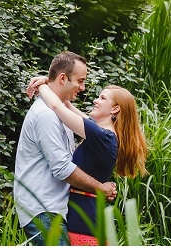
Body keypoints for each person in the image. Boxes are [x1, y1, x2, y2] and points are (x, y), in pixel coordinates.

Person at [27, 76, 149, 246]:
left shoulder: (103, 136)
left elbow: (56, 106)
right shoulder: (104, 135)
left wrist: (40, 85)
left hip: (83, 225)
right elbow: (67, 105)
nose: (95, 100)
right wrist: (52, 81)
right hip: (87, 221)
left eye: (102, 98)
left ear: (115, 109)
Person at [14, 51, 117, 246]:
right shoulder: (46, 114)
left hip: (53, 208)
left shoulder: (60, 111)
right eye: (80, 80)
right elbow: (62, 168)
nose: (83, 87)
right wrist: (100, 187)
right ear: (63, 78)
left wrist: (45, 81)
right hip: (43, 209)